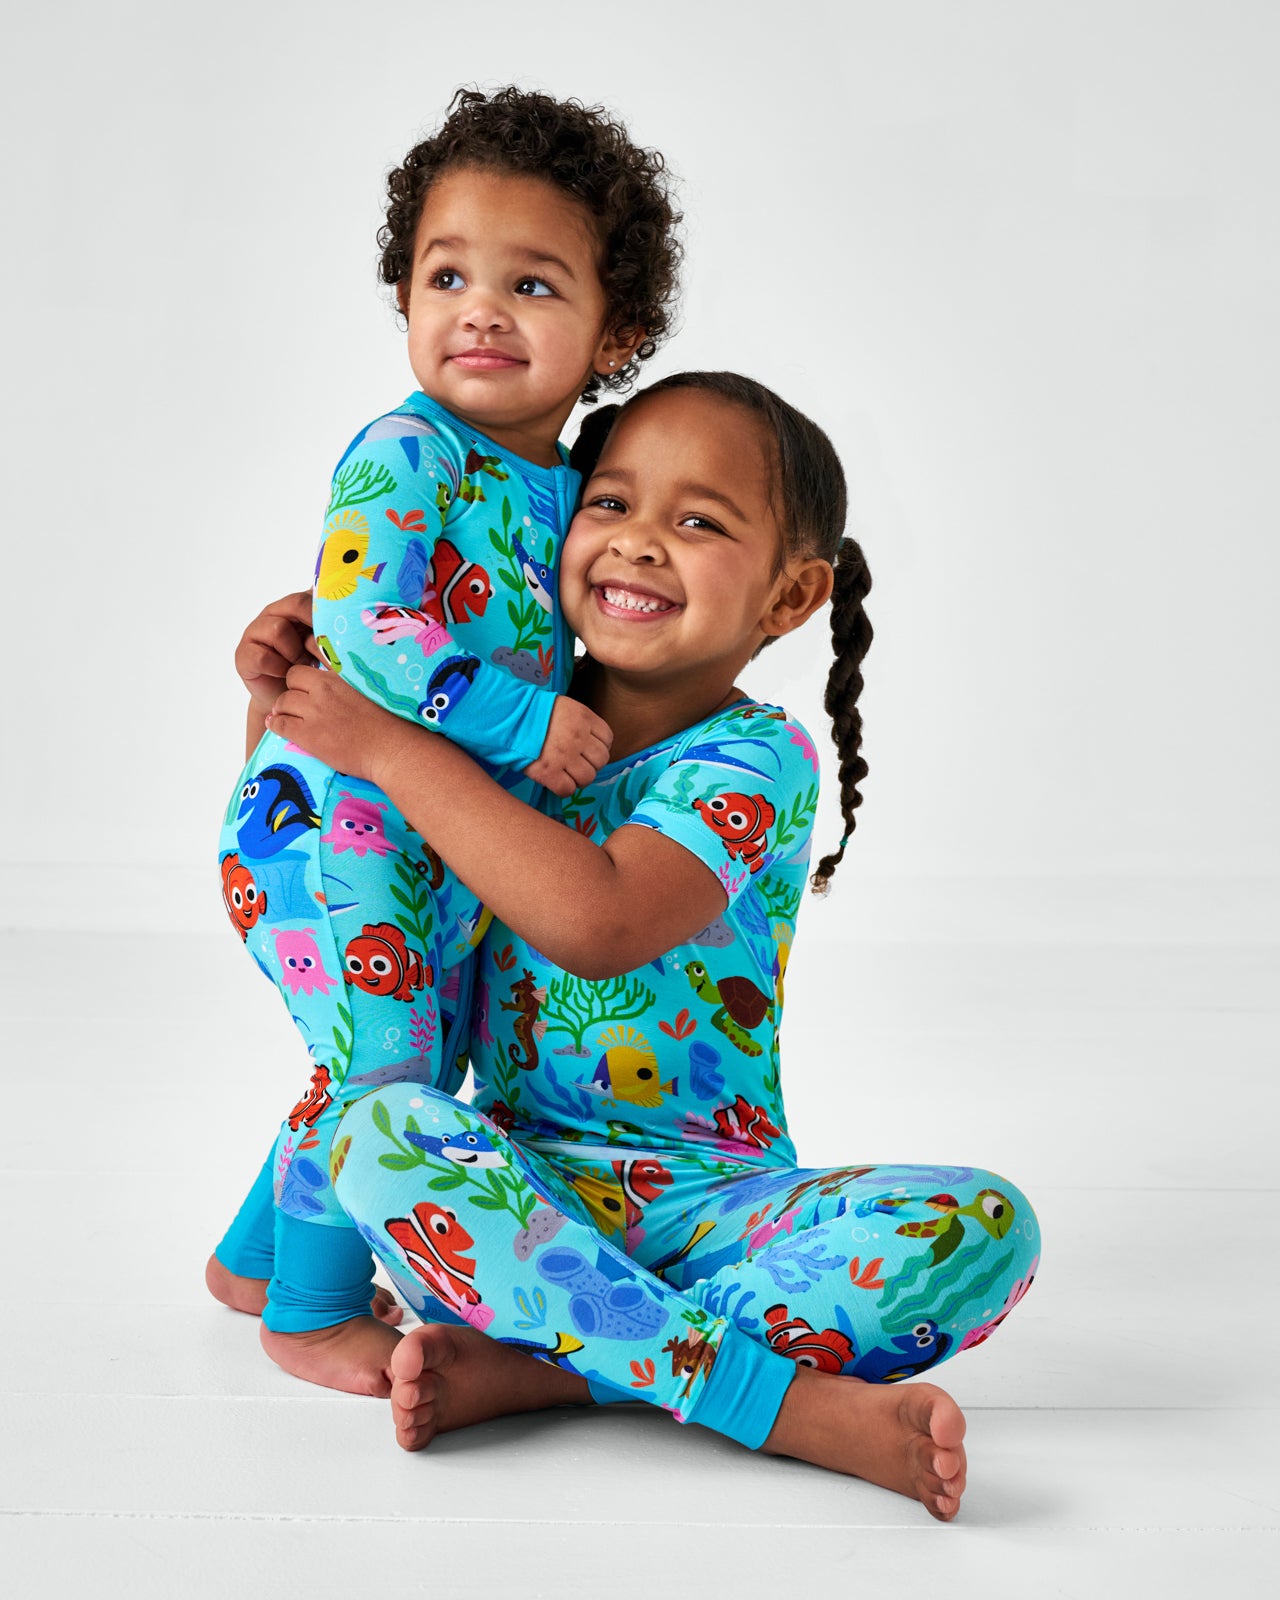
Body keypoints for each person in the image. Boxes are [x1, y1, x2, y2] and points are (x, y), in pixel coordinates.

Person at [262, 371, 1040, 1521]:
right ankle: (771, 1403)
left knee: (982, 1225)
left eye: (696, 522)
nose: (636, 546)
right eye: (610, 503)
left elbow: (596, 920)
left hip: (719, 1200)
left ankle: (558, 1364)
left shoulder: (754, 761)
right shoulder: (483, 723)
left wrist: (387, 745)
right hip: (514, 1196)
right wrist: (299, 691)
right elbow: (327, 857)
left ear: (790, 595)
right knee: (381, 1128)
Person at [207, 87, 681, 1393]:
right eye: (447, 273)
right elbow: (366, 633)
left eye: (532, 284)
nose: (480, 307)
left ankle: (254, 1255)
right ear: (406, 297)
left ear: (615, 332)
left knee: (411, 1053)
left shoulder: (571, 482)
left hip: (424, 833)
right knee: (385, 1067)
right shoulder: (404, 455)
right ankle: (303, 1314)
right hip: (325, 823)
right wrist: (526, 719)